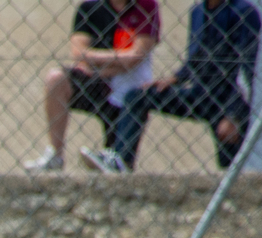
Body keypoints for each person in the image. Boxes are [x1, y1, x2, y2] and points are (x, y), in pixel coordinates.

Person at [87, 0, 262, 174]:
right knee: (137, 96)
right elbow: (195, 59)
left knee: (229, 169)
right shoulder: (198, 11)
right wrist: (173, 79)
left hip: (229, 101)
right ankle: (121, 162)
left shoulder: (244, 12)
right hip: (200, 95)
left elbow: (245, 72)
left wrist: (233, 116)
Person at [25, 0, 161, 173]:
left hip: (129, 94)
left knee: (118, 167)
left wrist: (97, 63)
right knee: (56, 79)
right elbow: (78, 54)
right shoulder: (90, 8)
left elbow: (135, 57)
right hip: (98, 84)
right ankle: (55, 156)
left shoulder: (145, 6)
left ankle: (113, 161)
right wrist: (118, 61)